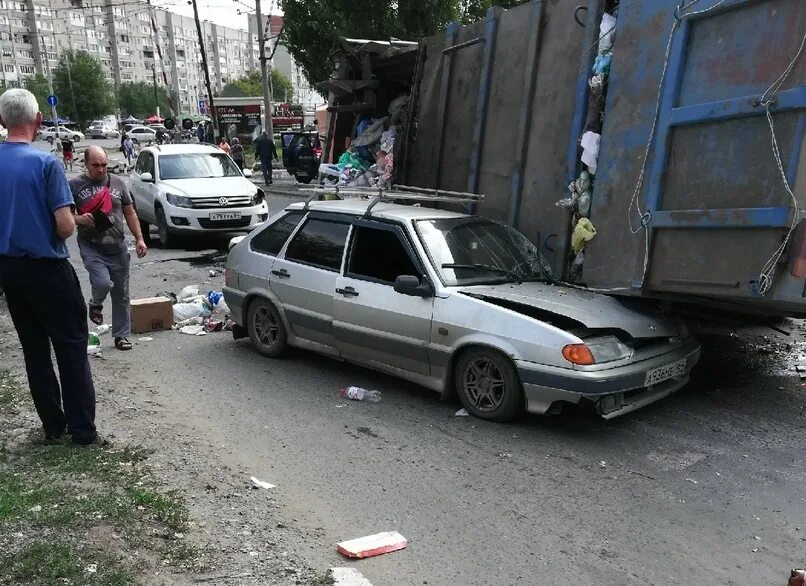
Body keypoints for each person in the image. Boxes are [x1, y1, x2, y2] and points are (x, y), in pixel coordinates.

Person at [0, 88, 102, 446]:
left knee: (34, 350)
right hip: (48, 269)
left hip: (9, 270)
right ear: (38, 120)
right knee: (71, 347)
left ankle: (53, 426)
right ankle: (83, 431)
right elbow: (64, 226)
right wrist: (76, 220)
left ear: (2, 121)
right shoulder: (46, 164)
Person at [70, 146, 148, 352]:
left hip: (118, 247)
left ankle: (121, 336)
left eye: (104, 165)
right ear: (86, 164)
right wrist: (80, 219)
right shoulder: (75, 185)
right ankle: (95, 303)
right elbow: (67, 217)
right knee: (103, 283)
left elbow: (130, 213)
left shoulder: (119, 183)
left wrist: (140, 239)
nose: (101, 169)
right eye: (96, 165)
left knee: (122, 294)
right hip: (91, 246)